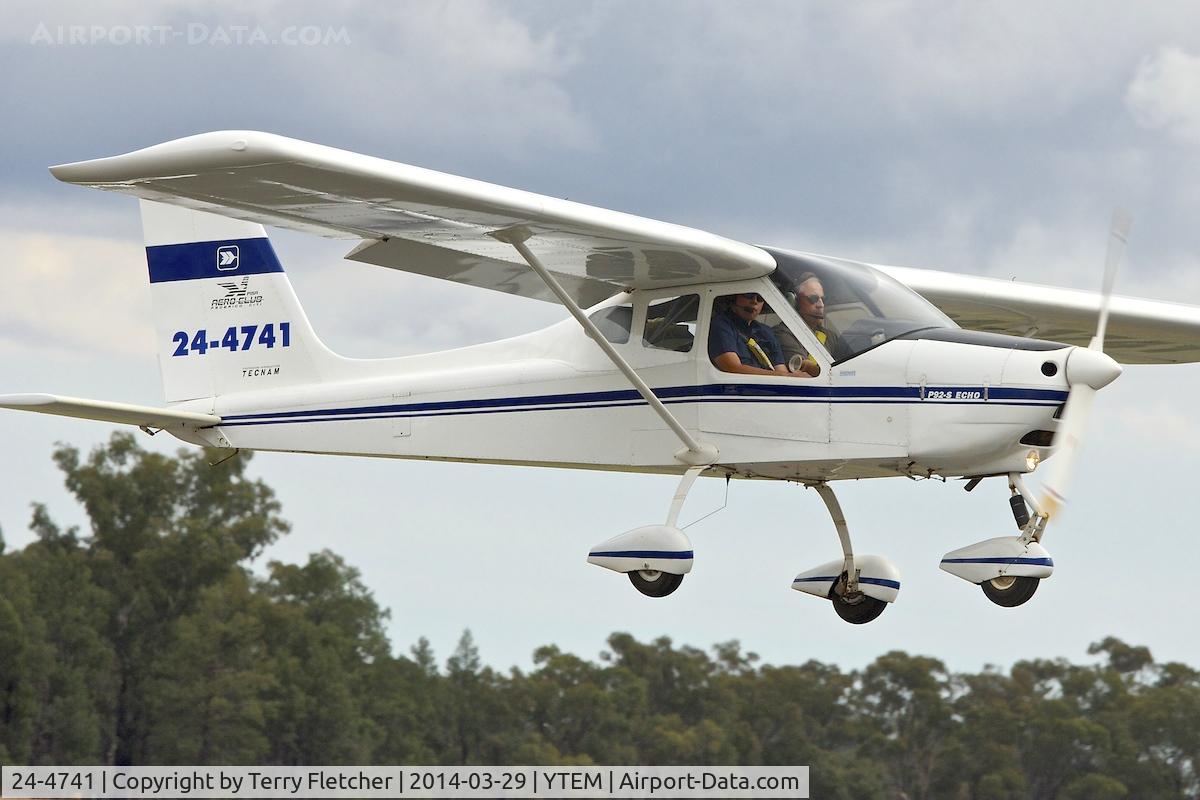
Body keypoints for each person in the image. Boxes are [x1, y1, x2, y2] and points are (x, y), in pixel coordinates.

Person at [708, 292, 798, 377]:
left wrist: (787, 377)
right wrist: (785, 376)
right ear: (734, 297)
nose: (754, 301)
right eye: (749, 295)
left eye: (760, 298)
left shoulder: (766, 332)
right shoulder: (721, 325)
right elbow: (732, 368)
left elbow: (781, 369)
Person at [774, 273, 843, 375]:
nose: (821, 305)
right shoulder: (782, 333)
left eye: (823, 300)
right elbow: (806, 368)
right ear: (795, 302)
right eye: (813, 299)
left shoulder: (830, 336)